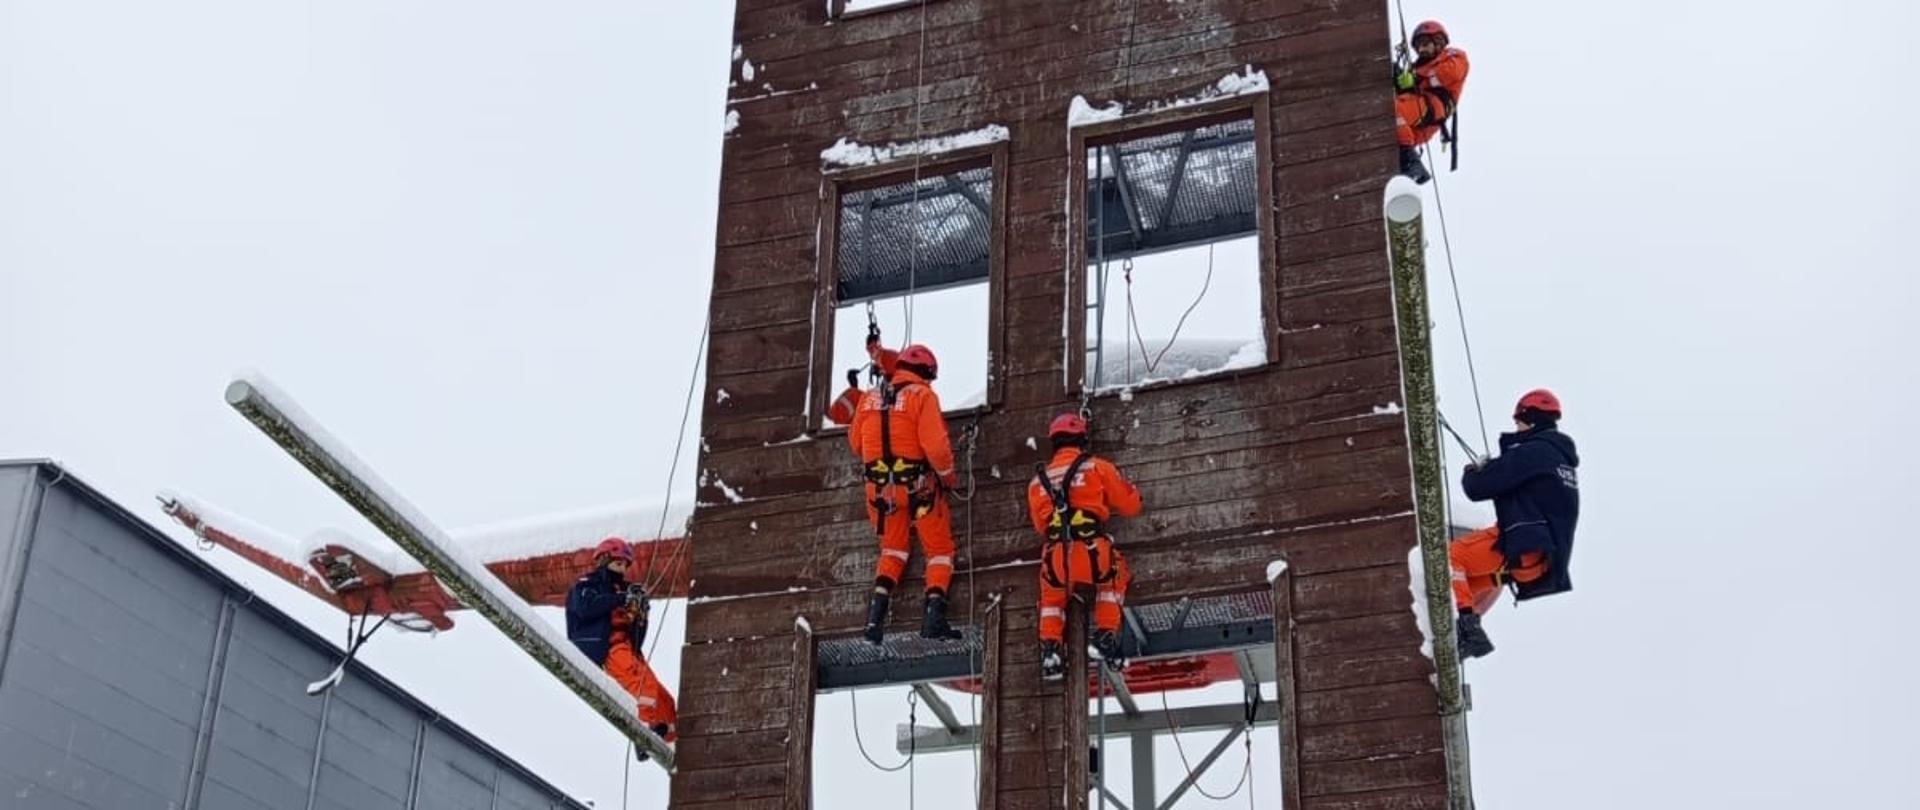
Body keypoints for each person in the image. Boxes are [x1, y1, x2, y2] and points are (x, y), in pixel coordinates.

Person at [1451, 389, 1580, 658]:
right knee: (1449, 590)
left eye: (1519, 421)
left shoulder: (1535, 451)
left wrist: (1472, 471)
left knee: (1448, 559)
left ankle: (1469, 628)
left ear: (1531, 419)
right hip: (1535, 563)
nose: (1517, 427)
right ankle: (1458, 635)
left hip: (1521, 545)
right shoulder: (1559, 461)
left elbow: (1478, 488)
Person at [849, 343, 962, 643]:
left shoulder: (870, 398)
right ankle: (933, 618)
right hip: (918, 490)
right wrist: (949, 479)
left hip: (880, 493)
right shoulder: (922, 396)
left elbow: (856, 443)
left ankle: (874, 621)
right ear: (927, 372)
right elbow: (936, 448)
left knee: (893, 550)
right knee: (939, 551)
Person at [1026, 413, 1143, 680]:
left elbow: (1039, 525)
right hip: (1092, 551)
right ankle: (1104, 636)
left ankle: (1051, 651)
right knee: (1112, 581)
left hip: (1056, 556)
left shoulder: (1036, 483)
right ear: (1082, 439)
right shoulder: (1096, 467)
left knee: (1051, 600)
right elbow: (1130, 504)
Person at [565, 538, 678, 750]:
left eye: (625, 565)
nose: (622, 569)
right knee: (644, 686)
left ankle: (672, 741)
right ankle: (644, 732)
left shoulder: (624, 590)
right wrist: (621, 599)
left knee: (665, 701)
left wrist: (640, 612)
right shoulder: (586, 585)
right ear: (604, 560)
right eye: (618, 564)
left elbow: (637, 632)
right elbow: (586, 608)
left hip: (628, 648)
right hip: (606, 646)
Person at [1394, 20, 1469, 184]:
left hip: (1434, 106)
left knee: (1392, 109)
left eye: (1425, 44)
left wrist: (1416, 78)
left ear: (1438, 42)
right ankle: (1407, 164)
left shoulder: (1454, 57)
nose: (1421, 49)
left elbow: (1449, 74)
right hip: (1417, 115)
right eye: (1418, 46)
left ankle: (1412, 163)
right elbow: (1410, 85)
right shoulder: (1418, 68)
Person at [828, 329, 900, 426]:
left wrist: (886, 377)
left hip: (893, 406)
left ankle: (832, 422)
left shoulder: (889, 356)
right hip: (884, 404)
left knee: (852, 395)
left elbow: (897, 383)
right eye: (869, 349)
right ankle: (835, 423)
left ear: (879, 345)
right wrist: (854, 384)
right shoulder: (881, 361)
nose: (871, 353)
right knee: (853, 395)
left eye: (873, 348)